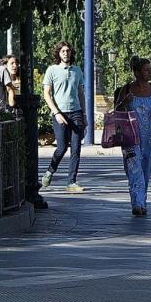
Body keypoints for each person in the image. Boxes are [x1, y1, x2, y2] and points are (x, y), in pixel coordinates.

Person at [113, 56, 151, 217]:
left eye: (150, 69)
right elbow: (117, 111)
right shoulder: (126, 90)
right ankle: (137, 203)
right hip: (130, 138)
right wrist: (124, 102)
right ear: (136, 72)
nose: (150, 72)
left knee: (145, 170)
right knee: (134, 168)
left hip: (150, 137)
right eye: (146, 70)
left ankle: (142, 201)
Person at [41, 42, 87, 193]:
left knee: (76, 148)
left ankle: (71, 182)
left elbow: (81, 93)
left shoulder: (77, 70)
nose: (66, 53)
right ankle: (49, 171)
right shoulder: (52, 70)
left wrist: (84, 114)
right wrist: (56, 112)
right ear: (58, 54)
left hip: (76, 112)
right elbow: (47, 94)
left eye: (68, 51)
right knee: (61, 147)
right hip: (59, 113)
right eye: (63, 51)